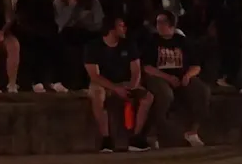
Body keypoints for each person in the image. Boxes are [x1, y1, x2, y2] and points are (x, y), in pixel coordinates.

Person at [86, 16, 154, 153]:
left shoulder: (128, 44)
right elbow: (95, 76)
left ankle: (135, 137)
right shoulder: (93, 47)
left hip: (124, 83)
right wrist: (115, 88)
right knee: (97, 94)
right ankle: (106, 139)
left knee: (147, 97)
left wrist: (132, 86)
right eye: (121, 26)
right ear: (111, 29)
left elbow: (136, 70)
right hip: (103, 83)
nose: (124, 29)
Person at [143, 11, 210, 147]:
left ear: (172, 25)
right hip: (159, 76)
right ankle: (153, 133)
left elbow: (196, 66)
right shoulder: (152, 41)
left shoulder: (182, 42)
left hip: (181, 77)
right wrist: (167, 77)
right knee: (164, 95)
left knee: (202, 91)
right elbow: (146, 67)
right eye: (157, 23)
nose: (159, 26)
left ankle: (193, 131)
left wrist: (187, 76)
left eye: (163, 22)